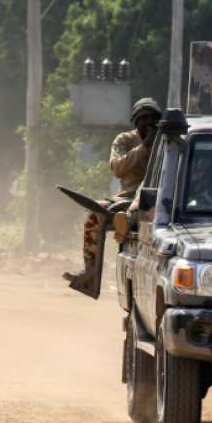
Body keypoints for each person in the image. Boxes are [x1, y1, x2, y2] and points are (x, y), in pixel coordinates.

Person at [63, 98, 162, 288]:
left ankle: (127, 219)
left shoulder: (166, 142)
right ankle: (89, 273)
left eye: (153, 119)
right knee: (94, 212)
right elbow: (117, 168)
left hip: (157, 200)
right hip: (125, 198)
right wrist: (144, 147)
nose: (149, 123)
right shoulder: (124, 140)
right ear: (136, 121)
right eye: (144, 118)